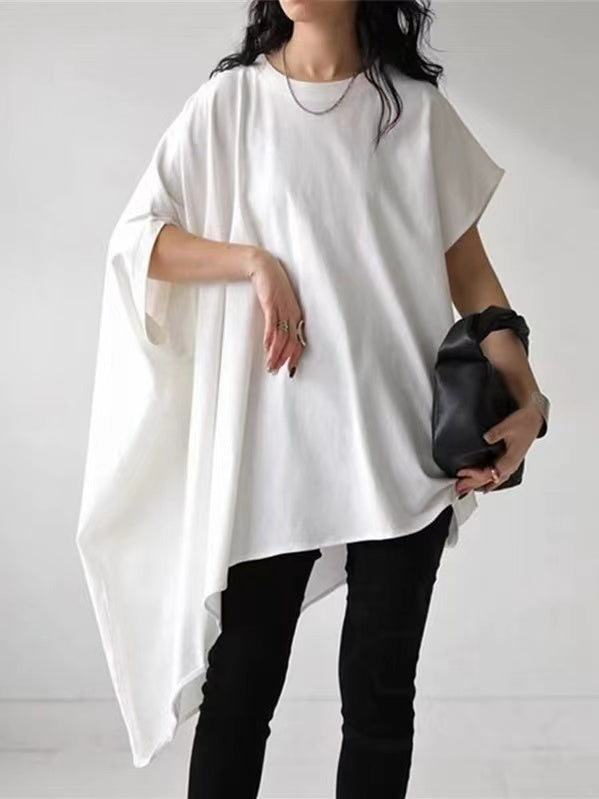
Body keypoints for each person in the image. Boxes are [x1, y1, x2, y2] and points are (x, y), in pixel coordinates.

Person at [76, 0, 549, 796]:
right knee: (238, 693)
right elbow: (139, 240)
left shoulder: (415, 114)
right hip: (272, 457)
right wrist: (253, 262)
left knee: (378, 699)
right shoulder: (229, 106)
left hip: (403, 453)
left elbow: (470, 275)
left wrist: (529, 398)